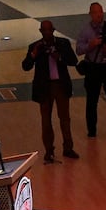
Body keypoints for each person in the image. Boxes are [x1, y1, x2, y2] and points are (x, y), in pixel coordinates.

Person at [22, 20, 79, 163]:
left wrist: (59, 57)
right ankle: (49, 151)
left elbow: (73, 60)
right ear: (40, 31)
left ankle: (68, 148)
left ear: (53, 30)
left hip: (60, 85)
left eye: (49, 30)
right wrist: (33, 54)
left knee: (65, 119)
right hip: (44, 88)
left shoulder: (63, 43)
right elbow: (26, 66)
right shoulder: (35, 46)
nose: (47, 33)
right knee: (46, 121)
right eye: (44, 30)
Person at [76, 2, 106, 139]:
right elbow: (79, 50)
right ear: (90, 14)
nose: (99, 15)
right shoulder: (85, 30)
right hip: (94, 67)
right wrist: (90, 45)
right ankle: (92, 130)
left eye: (101, 11)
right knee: (92, 101)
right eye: (96, 12)